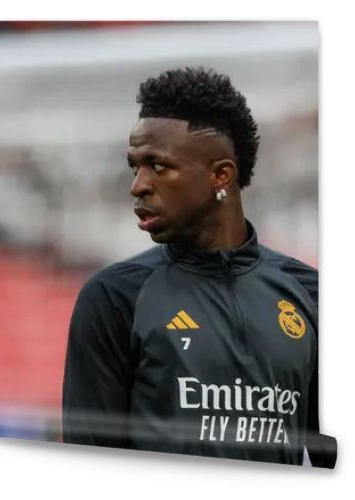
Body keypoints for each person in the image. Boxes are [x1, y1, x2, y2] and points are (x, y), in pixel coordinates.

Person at [62, 67, 336, 468]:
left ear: (221, 175)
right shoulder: (114, 297)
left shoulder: (311, 294)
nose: (138, 185)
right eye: (134, 166)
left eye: (158, 166)